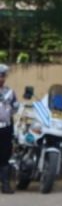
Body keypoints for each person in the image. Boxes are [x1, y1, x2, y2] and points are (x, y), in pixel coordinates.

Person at [0, 64, 17, 194]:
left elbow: (14, 108)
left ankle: (5, 184)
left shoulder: (10, 92)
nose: (1, 78)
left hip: (5, 128)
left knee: (5, 156)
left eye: (3, 76)